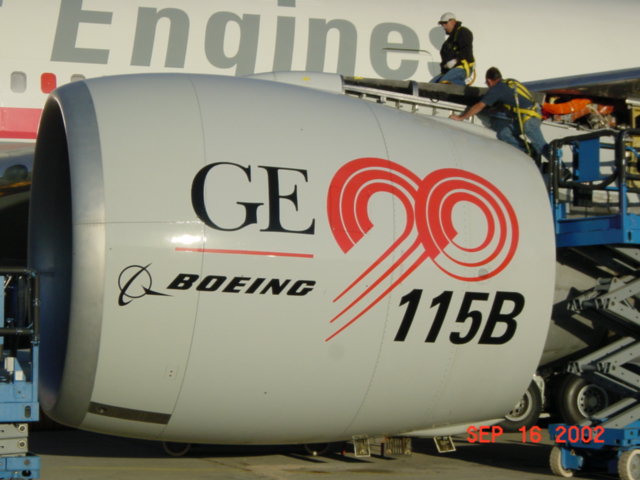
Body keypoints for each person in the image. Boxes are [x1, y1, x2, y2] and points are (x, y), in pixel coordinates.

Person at [450, 67, 549, 160]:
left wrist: (461, 117)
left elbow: (480, 105)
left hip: (529, 119)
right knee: (504, 133)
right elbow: (510, 102)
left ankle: (560, 167)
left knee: (541, 145)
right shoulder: (509, 82)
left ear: (489, 81)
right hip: (530, 114)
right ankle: (528, 152)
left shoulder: (497, 89)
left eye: (487, 83)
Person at [430, 12, 475, 86]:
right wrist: (444, 66)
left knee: (445, 81)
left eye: (445, 23)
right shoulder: (447, 43)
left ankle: (464, 90)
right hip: (450, 70)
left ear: (453, 21)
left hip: (462, 67)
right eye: (442, 24)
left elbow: (466, 51)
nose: (444, 26)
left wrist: (455, 61)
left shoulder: (463, 32)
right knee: (431, 85)